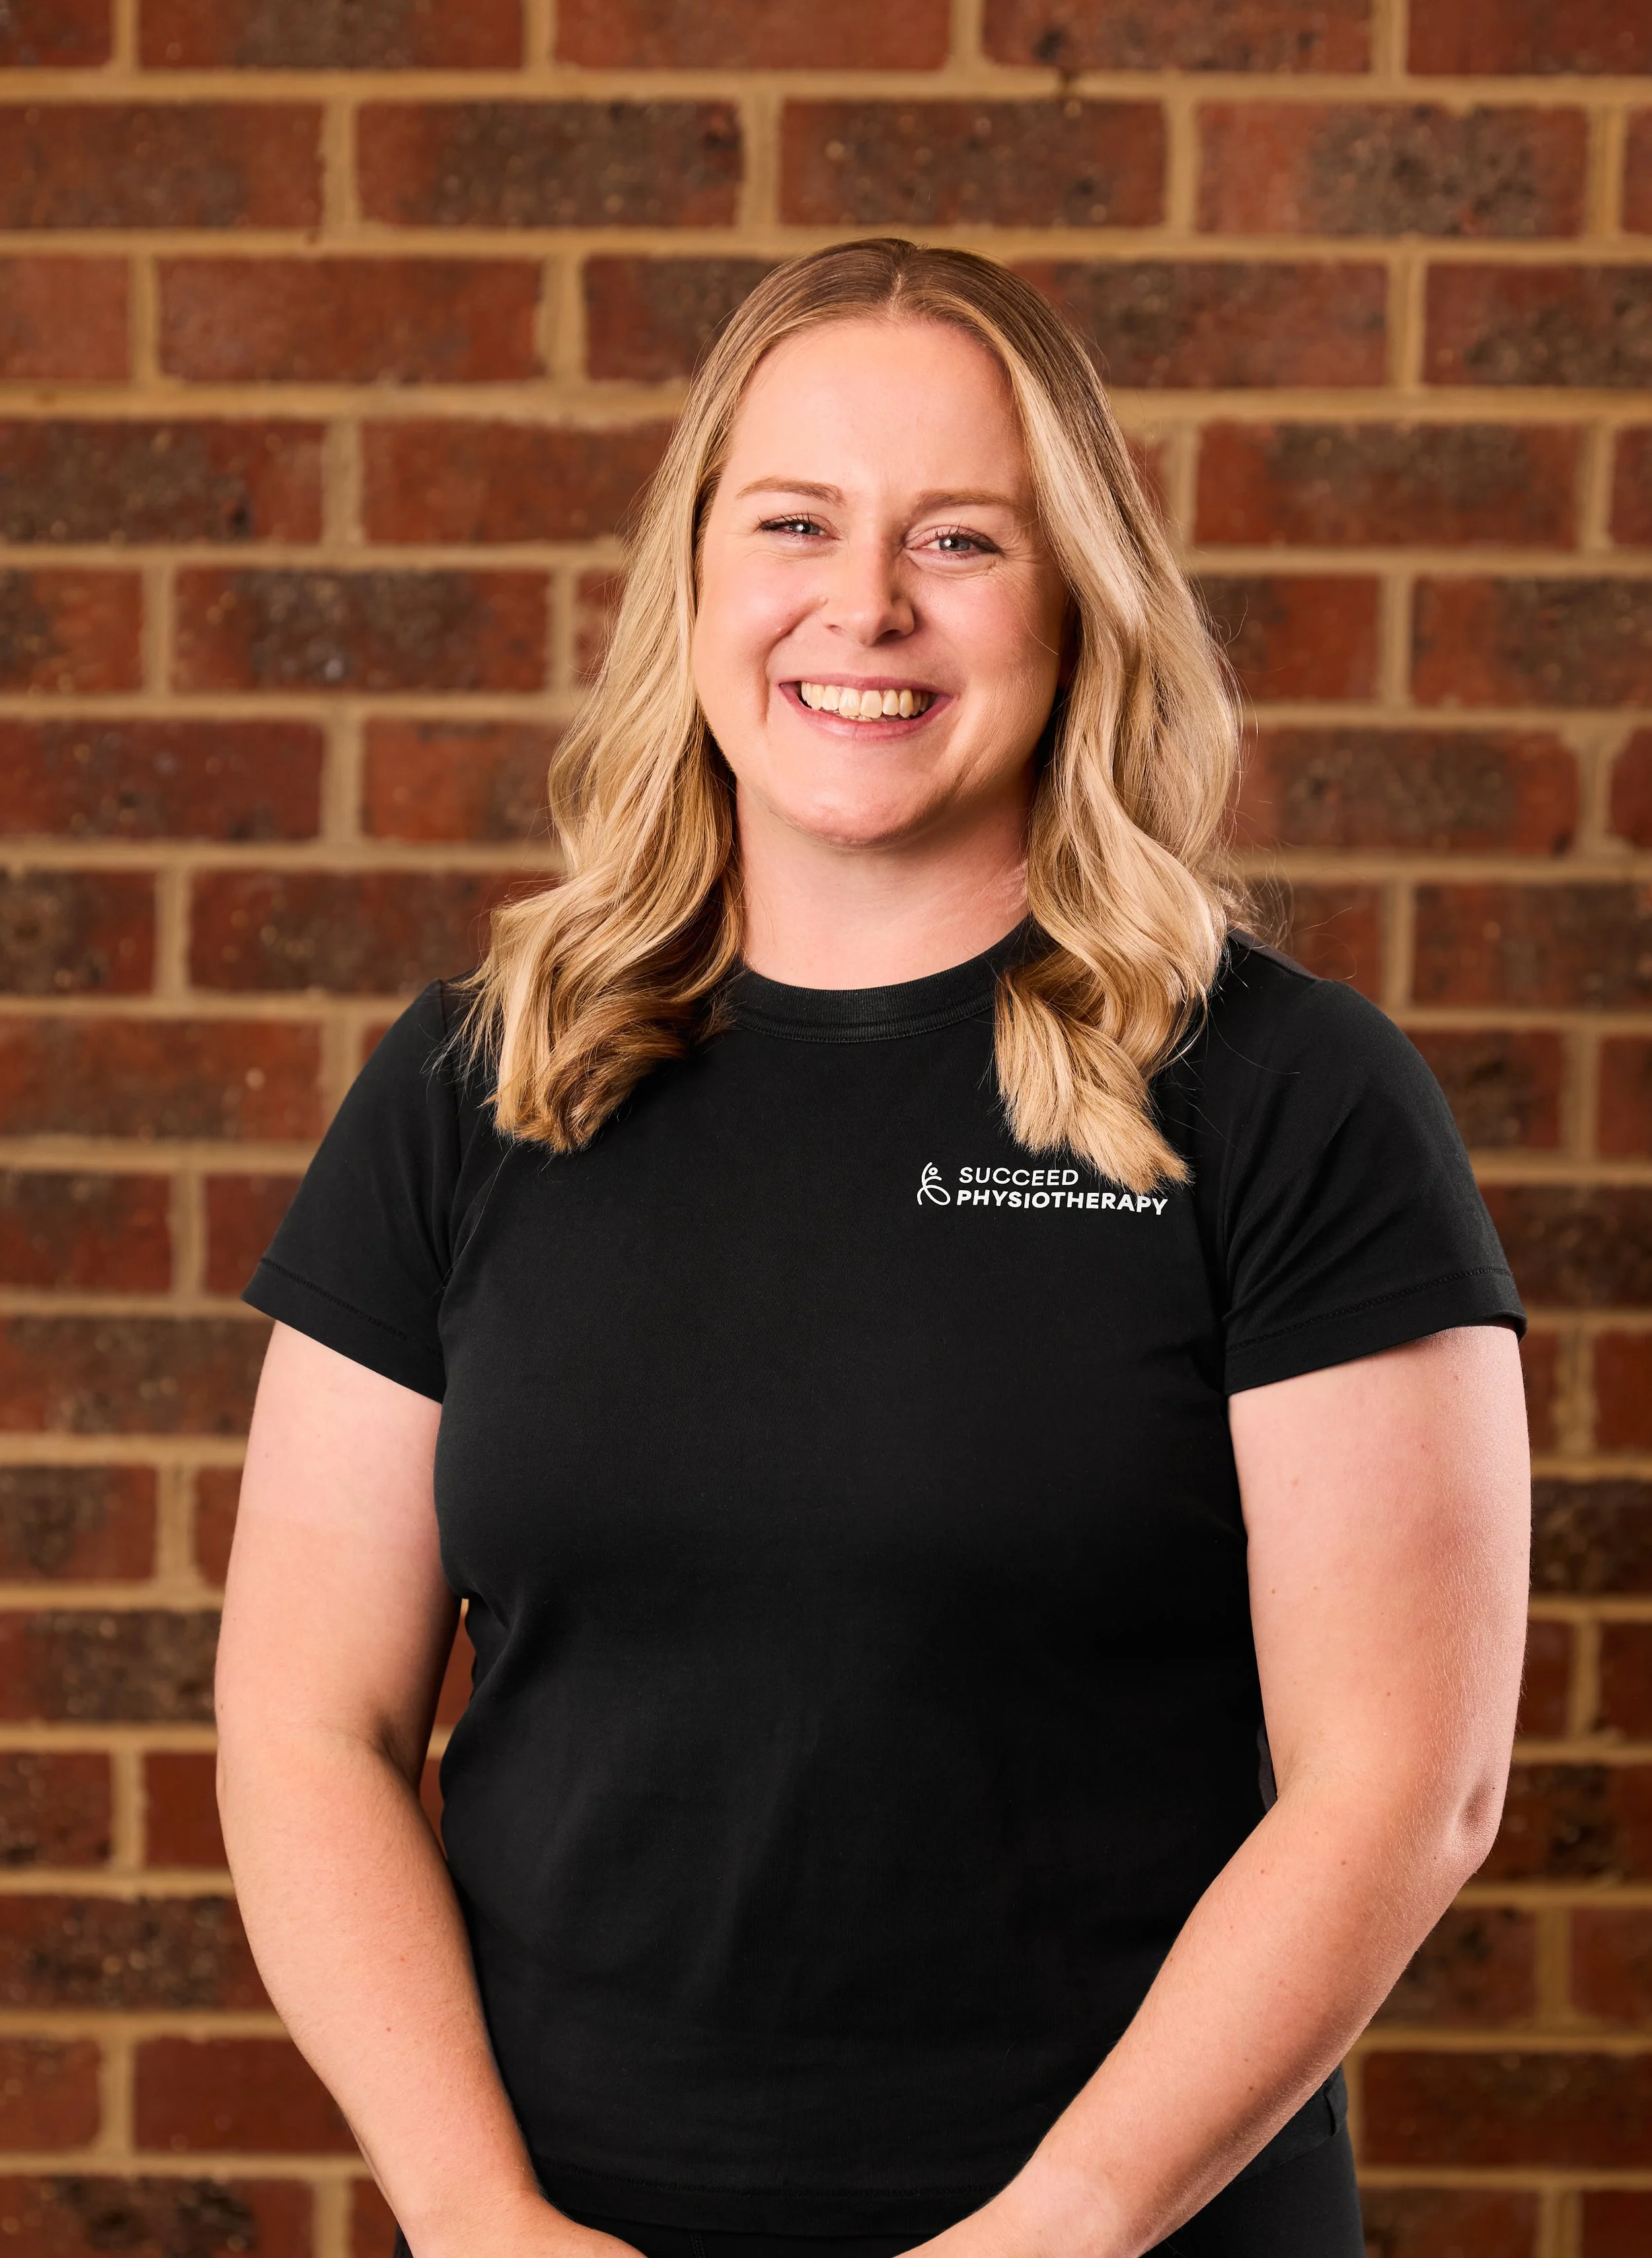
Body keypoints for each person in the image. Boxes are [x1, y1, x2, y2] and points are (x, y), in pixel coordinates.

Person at [217, 239, 1532, 2258]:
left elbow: (1398, 1788)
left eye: (961, 539)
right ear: (697, 577)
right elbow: (309, 1725)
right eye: (796, 523)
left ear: (1075, 595)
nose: (865, 606)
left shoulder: (1286, 1096)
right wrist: (480, 2218)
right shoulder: (480, 1078)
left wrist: (1055, 2230)